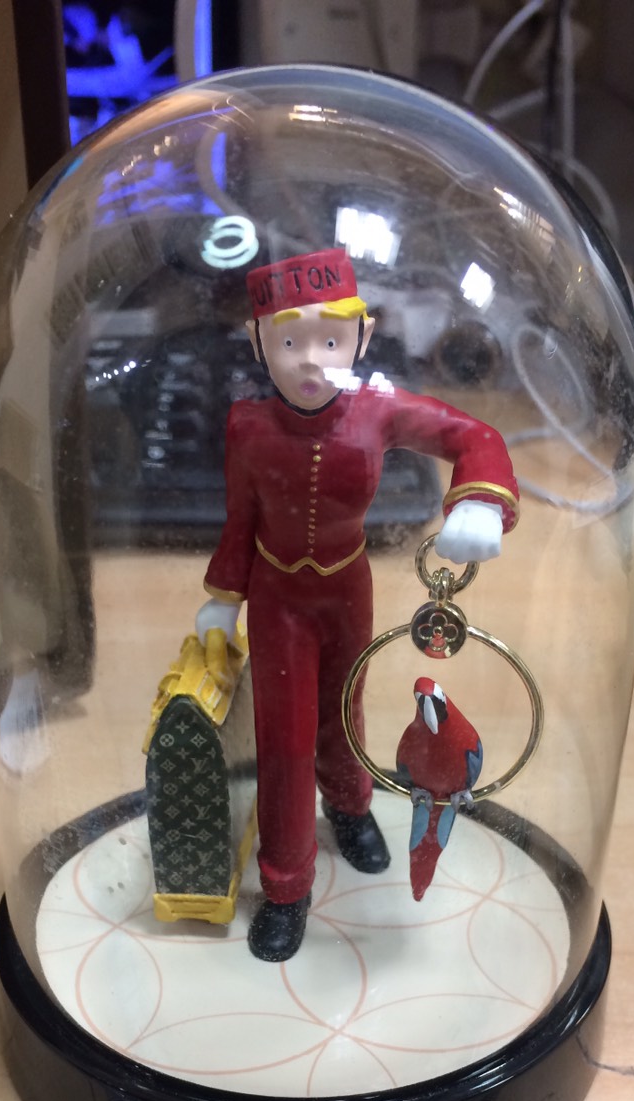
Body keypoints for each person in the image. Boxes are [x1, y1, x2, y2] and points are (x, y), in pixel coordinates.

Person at [195, 248, 518, 961]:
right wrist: (223, 598)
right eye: (289, 341)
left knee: (346, 711)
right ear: (257, 343)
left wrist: (477, 500)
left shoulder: (377, 410)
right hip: (279, 597)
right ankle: (287, 887)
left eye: (331, 339)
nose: (311, 360)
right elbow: (240, 520)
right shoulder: (247, 427)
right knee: (284, 738)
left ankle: (349, 806)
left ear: (363, 337)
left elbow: (474, 436)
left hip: (347, 588)